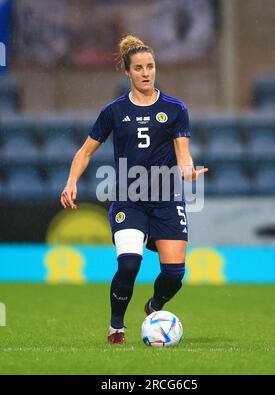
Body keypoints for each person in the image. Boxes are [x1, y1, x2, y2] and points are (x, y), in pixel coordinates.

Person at [60, 35, 208, 345]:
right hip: (130, 199)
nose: (146, 73)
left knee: (174, 274)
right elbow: (85, 151)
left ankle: (154, 307)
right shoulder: (113, 111)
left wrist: (188, 171)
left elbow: (183, 154)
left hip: (167, 199)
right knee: (129, 263)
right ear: (127, 72)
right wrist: (71, 181)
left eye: (150, 67)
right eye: (139, 68)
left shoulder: (175, 108)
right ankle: (117, 328)